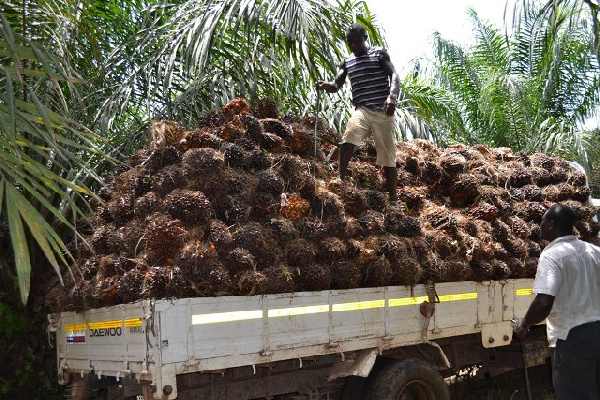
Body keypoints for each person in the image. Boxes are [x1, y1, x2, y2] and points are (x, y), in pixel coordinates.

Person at [513, 204, 600, 399]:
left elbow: (544, 302)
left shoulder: (552, 256)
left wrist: (524, 323)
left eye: (542, 221)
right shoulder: (594, 251)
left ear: (551, 225)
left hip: (572, 340)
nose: (540, 225)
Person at [316, 22, 400, 207]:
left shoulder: (379, 53)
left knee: (387, 154)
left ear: (365, 39)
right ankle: (340, 179)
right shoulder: (347, 61)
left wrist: (392, 97)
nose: (353, 45)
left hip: (382, 110)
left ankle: (393, 200)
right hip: (362, 109)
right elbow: (336, 85)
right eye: (350, 42)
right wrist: (325, 85)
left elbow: (394, 75)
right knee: (349, 136)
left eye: (357, 41)